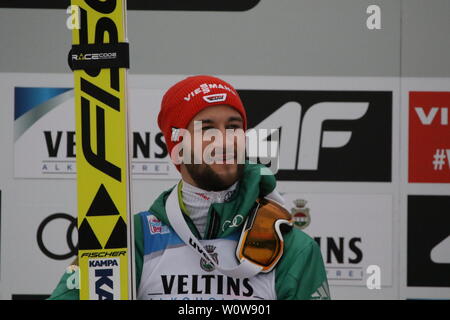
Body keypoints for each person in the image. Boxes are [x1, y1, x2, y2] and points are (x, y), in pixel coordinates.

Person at [48, 75, 330, 300]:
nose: (224, 141)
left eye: (233, 127)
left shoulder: (291, 247)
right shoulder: (129, 240)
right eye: (206, 129)